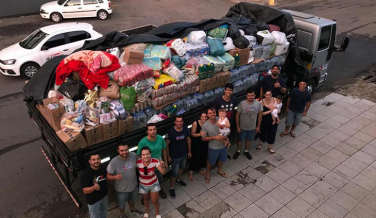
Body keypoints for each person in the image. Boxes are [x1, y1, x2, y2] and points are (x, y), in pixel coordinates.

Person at [106, 143, 143, 218]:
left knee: (132, 200)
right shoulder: (114, 162)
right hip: (121, 190)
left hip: (133, 186)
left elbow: (140, 163)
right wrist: (115, 177)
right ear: (118, 151)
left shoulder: (133, 155)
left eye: (126, 150)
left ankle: (132, 211)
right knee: (121, 204)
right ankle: (122, 215)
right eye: (122, 150)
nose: (124, 152)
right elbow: (108, 176)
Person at [137, 123, 168, 199]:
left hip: (158, 166)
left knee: (160, 179)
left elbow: (164, 150)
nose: (153, 131)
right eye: (150, 130)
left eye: (154, 129)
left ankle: (160, 190)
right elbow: (138, 155)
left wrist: (166, 162)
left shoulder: (160, 138)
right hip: (147, 167)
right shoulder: (142, 142)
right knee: (146, 183)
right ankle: (145, 196)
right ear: (147, 132)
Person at [165, 116, 191, 199]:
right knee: (174, 173)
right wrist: (168, 156)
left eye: (181, 121)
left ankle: (179, 180)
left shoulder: (186, 129)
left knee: (182, 168)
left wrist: (189, 151)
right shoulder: (171, 132)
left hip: (183, 154)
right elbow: (166, 145)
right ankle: (172, 187)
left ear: (183, 122)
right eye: (177, 121)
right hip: (175, 156)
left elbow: (188, 140)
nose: (179, 123)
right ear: (175, 122)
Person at [233, 88, 263, 160]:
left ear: (255, 95)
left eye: (252, 95)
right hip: (242, 127)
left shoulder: (258, 104)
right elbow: (237, 115)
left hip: (252, 127)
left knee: (249, 140)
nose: (250, 97)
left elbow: (260, 115)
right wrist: (237, 126)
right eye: (249, 95)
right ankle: (238, 151)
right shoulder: (242, 103)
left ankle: (246, 151)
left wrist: (258, 126)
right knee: (240, 139)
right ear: (246, 96)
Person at [201, 107, 228, 184]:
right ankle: (208, 173)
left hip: (223, 145)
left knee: (221, 159)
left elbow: (227, 130)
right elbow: (203, 138)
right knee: (210, 161)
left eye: (213, 112)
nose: (212, 114)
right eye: (210, 113)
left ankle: (219, 170)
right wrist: (214, 137)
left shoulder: (221, 119)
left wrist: (226, 138)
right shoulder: (205, 126)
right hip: (213, 147)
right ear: (207, 115)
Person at [137, 146, 166, 218]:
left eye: (147, 154)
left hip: (154, 183)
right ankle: (146, 211)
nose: (145, 156)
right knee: (145, 200)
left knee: (155, 201)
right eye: (143, 155)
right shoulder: (137, 163)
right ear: (141, 156)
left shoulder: (155, 161)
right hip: (143, 185)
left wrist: (162, 166)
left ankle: (157, 213)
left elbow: (163, 172)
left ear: (150, 154)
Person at [213, 83, 238, 159]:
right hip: (220, 126)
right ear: (224, 90)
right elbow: (215, 113)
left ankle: (224, 153)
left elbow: (233, 109)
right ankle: (219, 155)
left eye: (230, 90)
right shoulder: (218, 100)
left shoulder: (234, 99)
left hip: (228, 124)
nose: (228, 92)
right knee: (220, 140)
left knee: (226, 138)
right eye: (227, 90)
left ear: (232, 91)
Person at [81, 154, 108, 218]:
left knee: (103, 213)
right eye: (93, 159)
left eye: (98, 159)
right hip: (94, 201)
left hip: (104, 197)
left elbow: (108, 176)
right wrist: (93, 188)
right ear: (89, 161)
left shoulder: (103, 167)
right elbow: (85, 191)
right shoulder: (85, 174)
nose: (96, 161)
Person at [258, 90, 280, 155]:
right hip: (265, 120)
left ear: (271, 94)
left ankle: (270, 147)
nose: (268, 96)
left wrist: (275, 111)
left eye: (270, 95)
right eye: (267, 95)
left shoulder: (275, 99)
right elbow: (261, 114)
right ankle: (260, 144)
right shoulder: (261, 102)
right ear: (264, 95)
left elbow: (279, 109)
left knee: (272, 132)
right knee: (263, 132)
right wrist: (271, 110)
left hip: (274, 119)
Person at [188, 111, 208, 181]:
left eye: (206, 117)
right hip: (196, 143)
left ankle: (199, 168)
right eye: (203, 117)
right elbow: (192, 134)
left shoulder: (207, 123)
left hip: (204, 143)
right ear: (200, 117)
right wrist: (200, 134)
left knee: (202, 156)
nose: (204, 118)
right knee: (194, 157)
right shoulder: (195, 123)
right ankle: (191, 172)